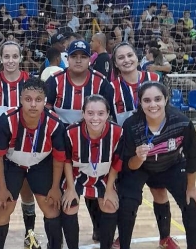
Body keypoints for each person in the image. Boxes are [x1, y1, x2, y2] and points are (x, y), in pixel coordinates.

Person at [109, 42, 181, 249]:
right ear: (115, 62)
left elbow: (169, 112)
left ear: (136, 56)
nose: (126, 60)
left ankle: (164, 238)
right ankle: (122, 238)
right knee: (127, 197)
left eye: (130, 55)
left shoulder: (155, 79)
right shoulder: (110, 88)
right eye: (121, 57)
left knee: (159, 193)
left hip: (158, 149)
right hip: (129, 151)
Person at [46, 40, 115, 242]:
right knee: (59, 191)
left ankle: (99, 229)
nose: (78, 60)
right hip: (59, 145)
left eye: (83, 56)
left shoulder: (101, 82)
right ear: (67, 58)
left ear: (89, 60)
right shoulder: (55, 81)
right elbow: (47, 111)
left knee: (93, 188)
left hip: (93, 145)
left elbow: (108, 115)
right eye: (74, 56)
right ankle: (56, 239)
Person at [117, 81, 196, 249]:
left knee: (191, 204)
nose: (153, 105)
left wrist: (191, 187)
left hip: (171, 165)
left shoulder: (182, 122)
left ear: (166, 99)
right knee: (127, 204)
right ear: (140, 103)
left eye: (157, 99)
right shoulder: (131, 125)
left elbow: (193, 156)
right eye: (147, 100)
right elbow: (129, 166)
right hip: (140, 168)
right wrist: (138, 158)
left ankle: (168, 240)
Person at [0, 77, 65, 249]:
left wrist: (55, 187)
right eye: (28, 99)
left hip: (41, 164)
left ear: (45, 101)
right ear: (20, 100)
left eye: (38, 100)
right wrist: (2, 188)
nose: (33, 104)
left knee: (52, 207)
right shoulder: (7, 121)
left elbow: (59, 159)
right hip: (12, 164)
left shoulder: (54, 123)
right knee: (2, 208)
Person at [0, 41, 42, 249]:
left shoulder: (30, 81)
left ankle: (30, 234)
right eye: (6, 56)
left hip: (27, 149)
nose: (10, 61)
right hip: (1, 152)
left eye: (14, 56)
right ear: (0, 58)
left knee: (27, 192)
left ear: (21, 58)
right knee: (0, 197)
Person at [62, 94, 122, 249]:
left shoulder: (118, 132)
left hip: (105, 176)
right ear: (83, 114)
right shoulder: (71, 132)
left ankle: (106, 245)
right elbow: (67, 161)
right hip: (77, 176)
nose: (95, 118)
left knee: (110, 204)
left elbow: (117, 163)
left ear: (108, 114)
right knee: (69, 205)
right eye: (90, 113)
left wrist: (109, 189)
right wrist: (70, 188)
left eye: (101, 113)